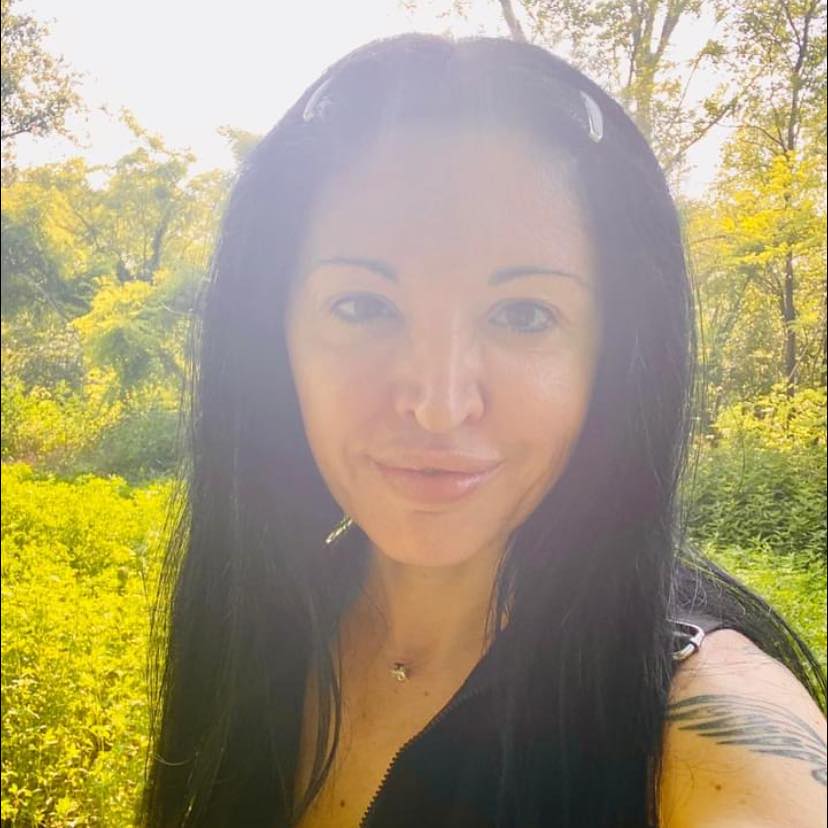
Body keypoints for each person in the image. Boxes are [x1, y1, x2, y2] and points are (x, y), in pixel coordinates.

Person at [140, 34, 826, 828]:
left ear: (608, 358)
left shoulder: (708, 725)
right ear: (274, 339)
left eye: (524, 315)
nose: (438, 405)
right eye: (362, 306)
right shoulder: (262, 618)